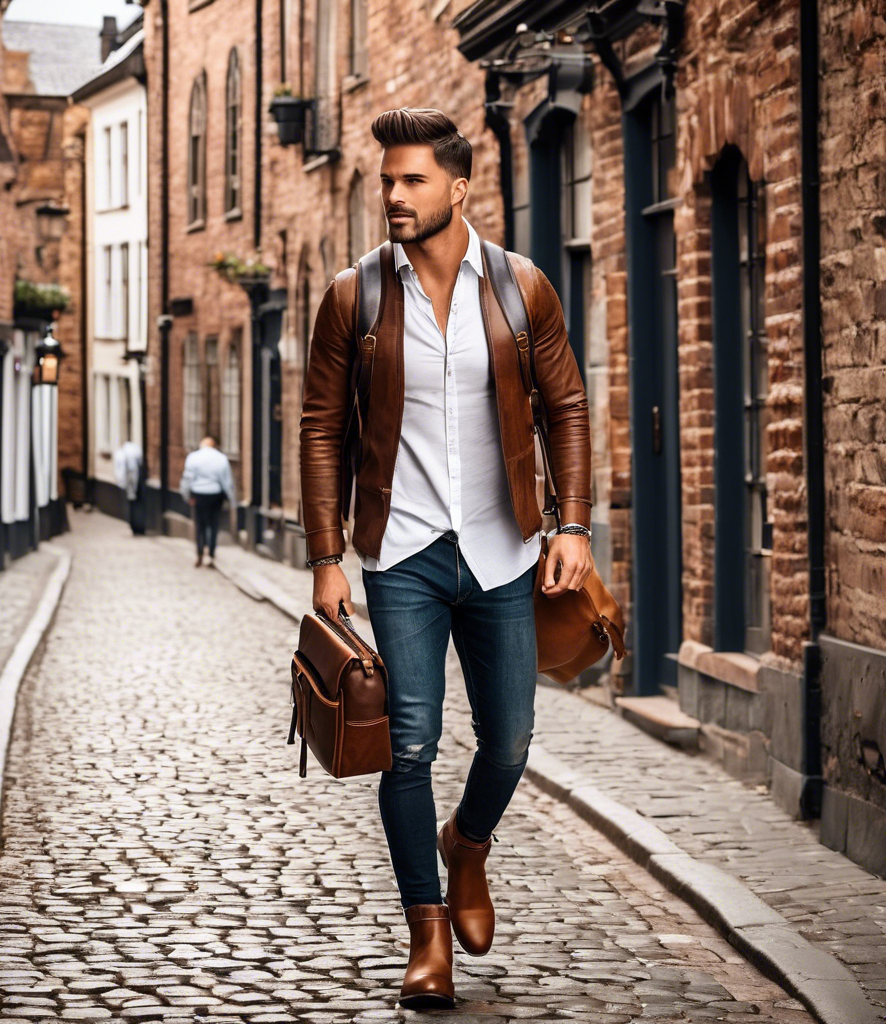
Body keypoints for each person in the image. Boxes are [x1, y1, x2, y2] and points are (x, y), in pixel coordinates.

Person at [300, 108, 593, 1009]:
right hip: (402, 553)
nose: (393, 195)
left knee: (509, 741)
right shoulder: (354, 296)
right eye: (388, 179)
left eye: (413, 180)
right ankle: (427, 934)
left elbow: (566, 408)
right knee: (411, 747)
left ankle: (466, 844)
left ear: (458, 188)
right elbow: (321, 429)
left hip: (504, 549)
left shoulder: (520, 288)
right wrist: (325, 554)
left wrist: (571, 524)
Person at [179, 436, 235, 568]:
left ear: (201, 445)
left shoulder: (193, 457)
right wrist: (232, 500)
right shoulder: (221, 458)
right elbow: (227, 481)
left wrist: (187, 496)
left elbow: (187, 479)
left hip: (198, 494)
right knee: (213, 524)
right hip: (215, 494)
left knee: (200, 525)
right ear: (213, 446)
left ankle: (199, 553)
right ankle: (211, 554)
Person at [112, 439, 145, 536]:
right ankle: (137, 526)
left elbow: (120, 471)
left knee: (133, 504)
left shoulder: (123, 453)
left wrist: (122, 483)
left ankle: (135, 526)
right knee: (135, 505)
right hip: (135, 483)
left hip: (131, 483)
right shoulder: (133, 452)